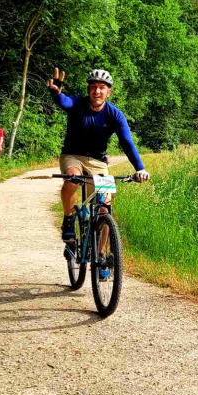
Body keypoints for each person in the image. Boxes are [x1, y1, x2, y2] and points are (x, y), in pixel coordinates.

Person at [46, 67, 150, 257]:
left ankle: (101, 254)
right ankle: (69, 220)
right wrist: (57, 92)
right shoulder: (78, 103)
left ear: (108, 92)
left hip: (98, 161)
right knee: (73, 178)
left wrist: (140, 168)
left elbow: (127, 143)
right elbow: (64, 102)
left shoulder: (115, 115)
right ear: (88, 90)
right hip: (73, 156)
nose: (97, 91)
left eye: (102, 87)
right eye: (93, 87)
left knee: (104, 209)